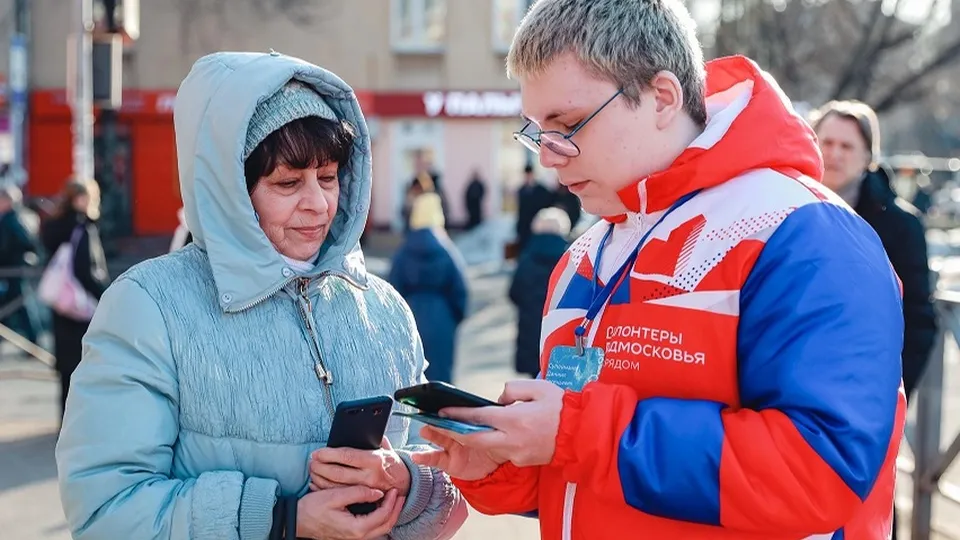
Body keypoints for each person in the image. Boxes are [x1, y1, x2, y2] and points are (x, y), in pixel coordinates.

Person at [412, 1, 905, 539]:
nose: (550, 156)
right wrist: (500, 464)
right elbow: (583, 478)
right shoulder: (584, 255)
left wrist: (577, 431)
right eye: (537, 133)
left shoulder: (802, 232)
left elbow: (818, 471)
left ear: (663, 98)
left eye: (569, 125)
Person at [56, 52, 466, 540]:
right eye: (288, 183)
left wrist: (407, 482)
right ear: (230, 191)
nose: (318, 204)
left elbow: (447, 477)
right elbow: (105, 510)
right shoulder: (149, 307)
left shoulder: (382, 307)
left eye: (329, 177)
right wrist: (280, 520)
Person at [811, 100, 937, 540]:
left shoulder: (901, 226)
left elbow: (919, 319)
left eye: (847, 146)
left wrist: (887, 395)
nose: (834, 154)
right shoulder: (783, 207)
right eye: (826, 141)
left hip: (867, 399)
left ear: (868, 156)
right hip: (791, 389)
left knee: (870, 503)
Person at [40, 179, 109, 418]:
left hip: (61, 305)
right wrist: (106, 296)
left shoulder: (54, 226)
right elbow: (86, 271)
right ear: (81, 199)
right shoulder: (83, 228)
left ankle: (65, 420)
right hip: (82, 307)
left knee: (66, 370)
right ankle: (84, 422)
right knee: (86, 364)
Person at [389, 192, 469, 384]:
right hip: (442, 319)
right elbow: (460, 291)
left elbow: (392, 290)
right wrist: (452, 318)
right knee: (441, 380)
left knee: (411, 378)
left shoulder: (403, 252)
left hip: (410, 317)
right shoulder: (447, 251)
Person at [509, 207, 571, 378]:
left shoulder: (527, 257)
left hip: (531, 327)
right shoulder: (571, 257)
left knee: (534, 375)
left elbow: (514, 292)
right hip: (561, 329)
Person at [515, 163, 553, 250]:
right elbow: (520, 210)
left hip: (538, 224)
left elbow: (547, 206)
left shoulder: (542, 190)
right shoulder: (522, 190)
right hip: (524, 226)